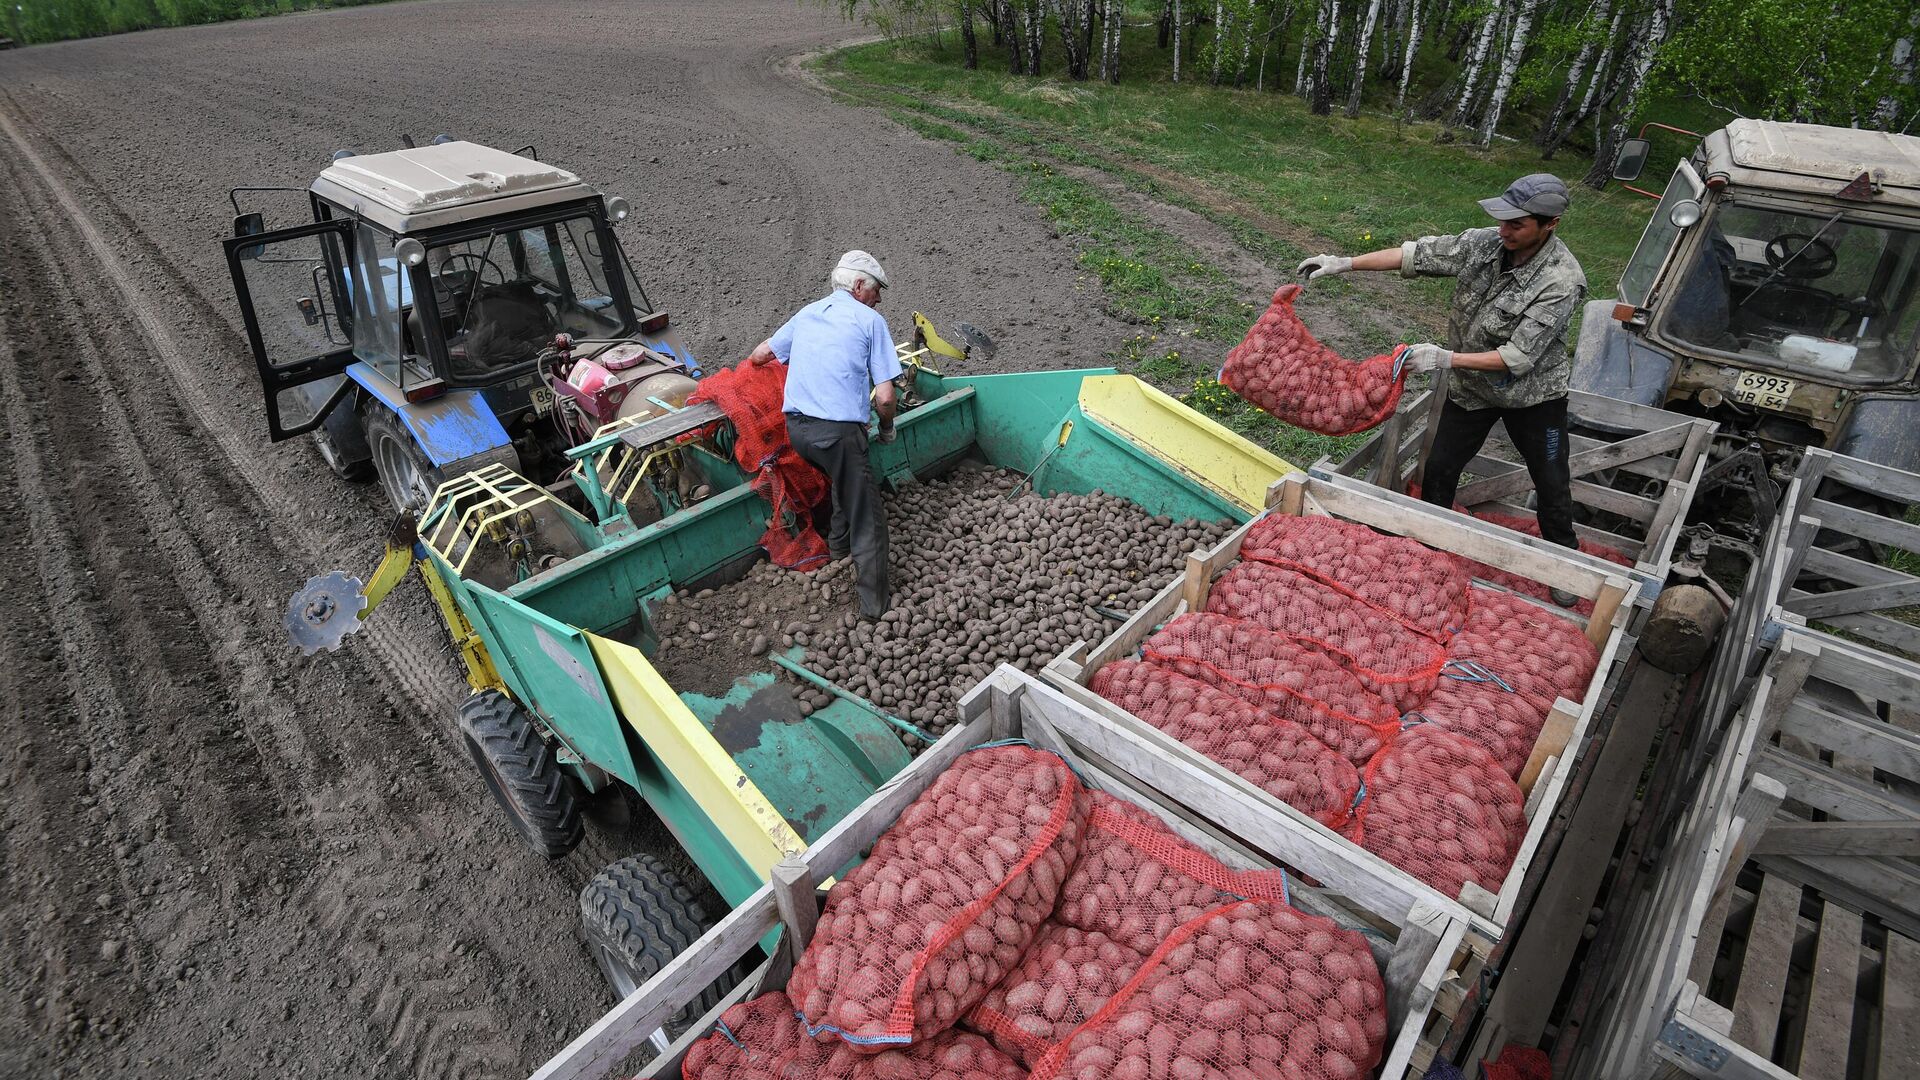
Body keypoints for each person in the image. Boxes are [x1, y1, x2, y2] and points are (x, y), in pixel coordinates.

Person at [1297, 173, 1588, 605]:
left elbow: (1516, 358)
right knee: (1440, 469)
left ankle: (1564, 565)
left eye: (1517, 224)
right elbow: (1417, 255)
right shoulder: (1486, 243)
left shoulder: (1561, 280)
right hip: (1472, 390)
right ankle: (1428, 550)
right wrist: (1345, 262)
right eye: (1502, 220)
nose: (1503, 230)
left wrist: (1444, 359)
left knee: (1551, 480)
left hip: (1533, 397)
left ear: (1550, 224)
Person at [749, 250, 902, 619]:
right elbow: (885, 397)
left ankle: (837, 549)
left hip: (798, 432)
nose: (879, 298)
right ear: (859, 285)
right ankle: (874, 606)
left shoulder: (807, 313)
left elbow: (759, 355)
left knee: (841, 476)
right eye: (877, 289)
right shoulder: (870, 320)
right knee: (869, 515)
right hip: (837, 434)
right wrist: (886, 427)